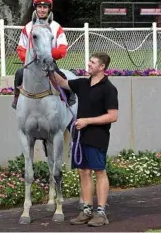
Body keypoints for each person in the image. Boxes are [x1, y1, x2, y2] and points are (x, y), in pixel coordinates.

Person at [51, 52, 119, 227]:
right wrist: (50, 67)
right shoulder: (82, 83)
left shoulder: (109, 89)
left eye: (92, 62)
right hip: (80, 137)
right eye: (89, 61)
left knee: (99, 172)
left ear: (102, 67)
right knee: (84, 172)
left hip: (97, 137)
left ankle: (101, 213)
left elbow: (112, 116)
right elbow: (62, 83)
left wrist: (88, 121)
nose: (88, 64)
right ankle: (87, 211)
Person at [12, 0, 76, 109]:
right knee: (19, 73)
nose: (42, 10)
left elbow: (62, 49)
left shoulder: (56, 27)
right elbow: (21, 48)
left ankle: (70, 96)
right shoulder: (27, 27)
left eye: (45, 7)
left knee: (60, 75)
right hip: (32, 63)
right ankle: (16, 98)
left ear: (49, 9)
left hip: (49, 61)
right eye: (39, 7)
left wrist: (47, 54)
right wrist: (30, 57)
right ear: (35, 8)